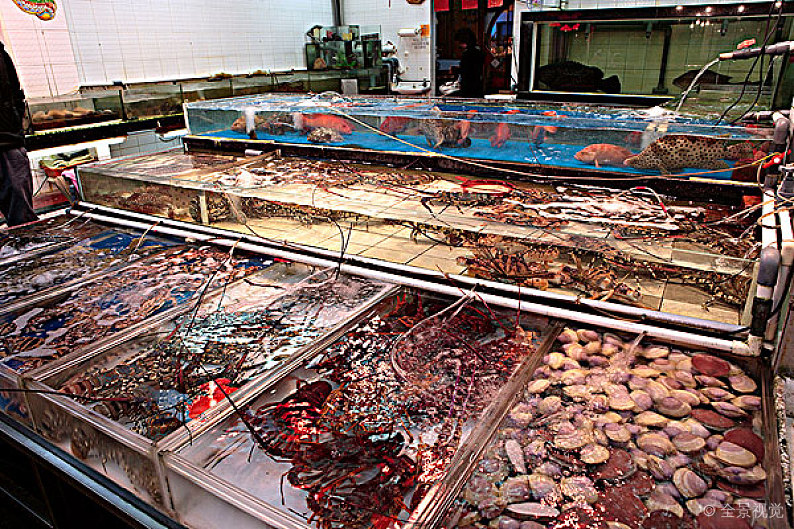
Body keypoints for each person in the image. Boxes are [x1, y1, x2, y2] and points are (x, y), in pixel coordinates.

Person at [0, 41, 37, 227]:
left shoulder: (1, 54)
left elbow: (16, 92)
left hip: (8, 141)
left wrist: (16, 122)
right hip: (9, 139)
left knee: (21, 214)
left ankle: (27, 241)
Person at [454, 28, 485, 98]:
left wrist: (456, 70)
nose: (459, 46)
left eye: (460, 43)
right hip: (477, 86)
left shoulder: (467, 54)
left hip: (469, 87)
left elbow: (466, 71)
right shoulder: (479, 52)